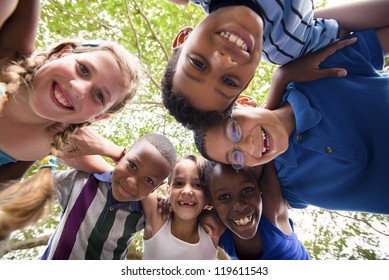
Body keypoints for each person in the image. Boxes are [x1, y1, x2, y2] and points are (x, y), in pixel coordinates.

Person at [194, 27, 389, 215]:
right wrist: (282, 77)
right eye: (236, 156)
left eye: (234, 131)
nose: (248, 146)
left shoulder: (317, 71)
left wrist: (283, 76)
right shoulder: (284, 186)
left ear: (244, 102)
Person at [0, 3, 144, 238]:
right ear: (62, 53)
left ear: (97, 117)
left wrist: (121, 156)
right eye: (84, 69)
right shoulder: (11, 52)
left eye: (99, 96)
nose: (78, 89)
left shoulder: (44, 145)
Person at [161, 0, 389, 130]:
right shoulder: (289, 46)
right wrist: (285, 75)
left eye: (198, 63)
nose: (224, 61)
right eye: (229, 82)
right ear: (248, 79)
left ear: (184, 38)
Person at [39, 133, 177, 260]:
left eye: (149, 181)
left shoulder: (144, 214)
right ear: (122, 157)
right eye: (133, 166)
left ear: (156, 188)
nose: (132, 182)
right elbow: (60, 138)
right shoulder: (82, 181)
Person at [202, 161, 310, 260]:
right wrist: (203, 216)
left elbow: (269, 157)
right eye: (224, 197)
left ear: (259, 188)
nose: (239, 206)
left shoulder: (271, 209)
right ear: (210, 202)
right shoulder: (218, 232)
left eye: (247, 190)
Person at [142, 154, 218, 260]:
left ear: (207, 195)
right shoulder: (157, 214)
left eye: (198, 185)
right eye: (179, 183)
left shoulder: (214, 229)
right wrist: (118, 152)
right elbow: (126, 176)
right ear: (169, 191)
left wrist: (210, 212)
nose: (187, 191)